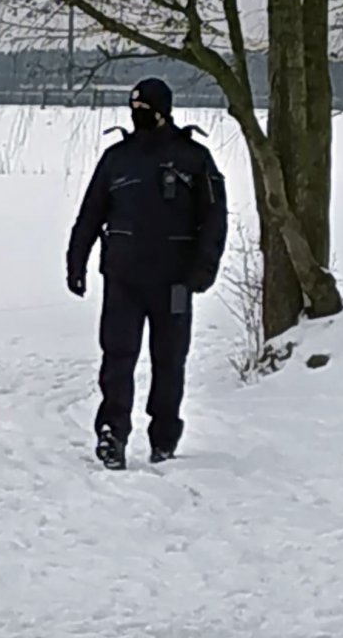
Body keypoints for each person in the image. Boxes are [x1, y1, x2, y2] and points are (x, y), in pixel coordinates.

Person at [65, 78, 227, 470]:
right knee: (117, 357)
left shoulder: (194, 158)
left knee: (169, 360)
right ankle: (112, 434)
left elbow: (215, 218)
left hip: (175, 281)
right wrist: (76, 259)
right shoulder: (117, 158)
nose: (136, 114)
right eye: (132, 107)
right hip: (123, 278)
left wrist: (204, 269)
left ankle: (164, 437)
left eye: (144, 107)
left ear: (162, 109)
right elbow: (91, 213)